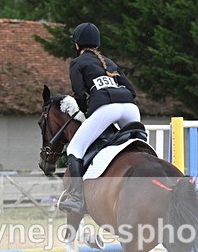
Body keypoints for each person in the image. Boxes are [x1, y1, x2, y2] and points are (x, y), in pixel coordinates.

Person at [59, 22, 141, 214]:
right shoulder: (109, 62)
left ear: (77, 45)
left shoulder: (77, 63)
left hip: (106, 109)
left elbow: (79, 95)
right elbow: (132, 91)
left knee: (74, 148)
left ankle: (78, 199)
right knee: (138, 148)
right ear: (97, 44)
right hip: (131, 109)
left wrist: (88, 113)